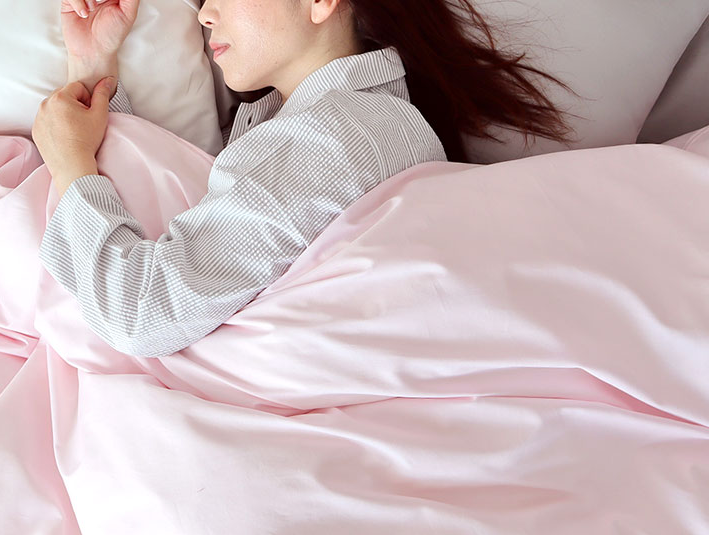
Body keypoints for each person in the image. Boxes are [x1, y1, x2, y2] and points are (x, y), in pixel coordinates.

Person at [31, 0, 576, 357]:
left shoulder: (333, 137)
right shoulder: (320, 125)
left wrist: (71, 168)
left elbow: (142, 313)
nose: (205, 14)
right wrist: (94, 64)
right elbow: (187, 213)